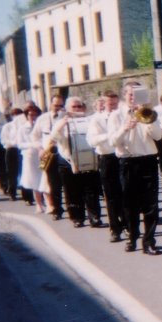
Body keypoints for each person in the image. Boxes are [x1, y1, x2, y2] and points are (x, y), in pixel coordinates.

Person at [108, 82, 162, 255]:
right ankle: (132, 237)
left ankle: (149, 241)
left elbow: (158, 136)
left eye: (137, 94)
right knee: (130, 205)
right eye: (131, 94)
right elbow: (112, 142)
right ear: (125, 95)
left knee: (151, 204)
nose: (133, 98)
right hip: (128, 162)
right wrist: (125, 128)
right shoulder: (116, 116)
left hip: (148, 161)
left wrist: (148, 121)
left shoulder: (150, 113)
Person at [50, 96, 103, 228]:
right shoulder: (61, 122)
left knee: (91, 190)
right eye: (74, 107)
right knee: (72, 191)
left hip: (89, 159)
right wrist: (64, 121)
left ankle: (94, 216)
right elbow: (54, 136)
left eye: (80, 106)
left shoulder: (90, 120)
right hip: (68, 160)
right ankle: (77, 217)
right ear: (67, 109)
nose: (77, 109)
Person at [88, 92, 124, 242]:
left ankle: (128, 225)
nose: (113, 107)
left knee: (125, 193)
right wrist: (109, 135)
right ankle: (115, 229)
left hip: (122, 156)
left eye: (115, 104)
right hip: (107, 157)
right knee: (110, 196)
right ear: (104, 104)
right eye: (110, 104)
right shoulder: (96, 119)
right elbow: (92, 141)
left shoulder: (122, 116)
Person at [31, 95, 66, 219]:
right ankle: (56, 208)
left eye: (61, 105)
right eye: (56, 105)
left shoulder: (66, 117)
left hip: (63, 152)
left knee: (66, 181)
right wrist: (40, 149)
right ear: (50, 105)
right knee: (51, 182)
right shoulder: (42, 118)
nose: (58, 108)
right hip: (47, 153)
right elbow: (34, 136)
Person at [0, 107, 24, 202]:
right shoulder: (8, 126)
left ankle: (26, 193)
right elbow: (4, 140)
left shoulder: (24, 126)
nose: (17, 117)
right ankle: (12, 192)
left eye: (18, 114)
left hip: (22, 149)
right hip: (12, 149)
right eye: (14, 114)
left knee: (23, 171)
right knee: (12, 172)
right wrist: (14, 143)